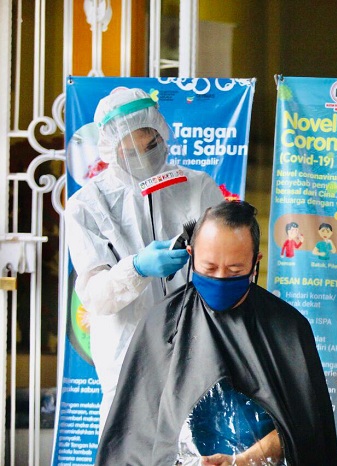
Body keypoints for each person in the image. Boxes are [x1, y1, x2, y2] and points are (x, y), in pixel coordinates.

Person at [95, 201, 337, 466]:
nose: (221, 278)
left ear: (255, 262)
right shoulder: (163, 325)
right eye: (209, 268)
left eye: (235, 270)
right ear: (191, 255)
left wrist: (244, 460)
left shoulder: (288, 329)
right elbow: (134, 439)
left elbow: (308, 432)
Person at [65, 87, 224, 433]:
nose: (143, 157)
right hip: (127, 355)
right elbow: (96, 297)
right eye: (130, 150)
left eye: (151, 145)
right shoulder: (87, 207)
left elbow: (225, 260)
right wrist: (136, 268)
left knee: (195, 445)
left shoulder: (197, 186)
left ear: (162, 134)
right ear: (110, 149)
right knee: (128, 446)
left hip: (194, 349)